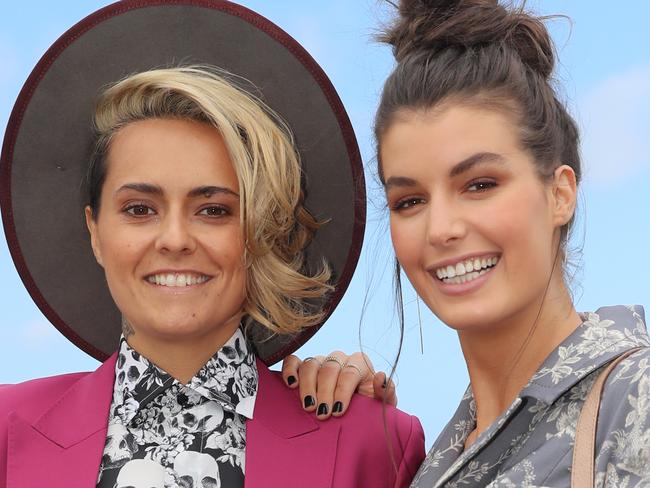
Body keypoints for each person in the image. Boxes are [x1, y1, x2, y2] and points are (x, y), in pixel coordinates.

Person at [0, 2, 424, 486]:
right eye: (140, 209)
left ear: (263, 229)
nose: (175, 239)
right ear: (95, 233)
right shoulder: (6, 430)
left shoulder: (376, 443)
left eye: (214, 210)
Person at [284, 0, 650, 486]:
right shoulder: (432, 465)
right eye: (410, 200)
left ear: (560, 194)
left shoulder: (634, 400)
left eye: (480, 184)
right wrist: (339, 430)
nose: (441, 229)